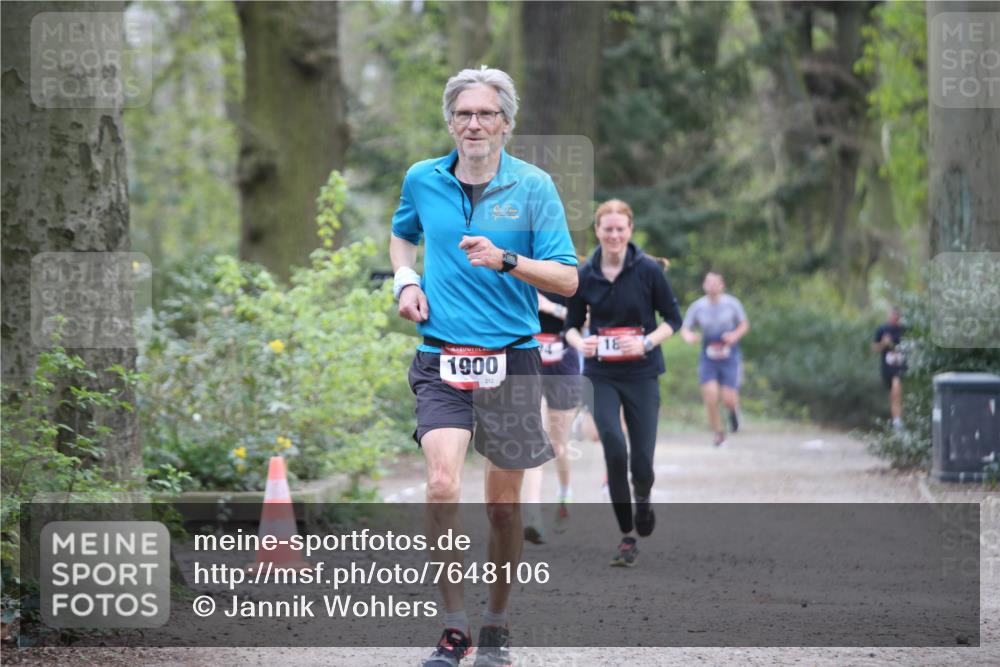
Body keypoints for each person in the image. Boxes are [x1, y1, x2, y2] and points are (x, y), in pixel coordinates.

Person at [390, 66, 578, 667]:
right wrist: (406, 281)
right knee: (442, 484)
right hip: (440, 355)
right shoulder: (422, 178)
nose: (474, 123)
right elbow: (402, 236)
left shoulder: (534, 186)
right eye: (464, 113)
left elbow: (567, 279)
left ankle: (496, 621)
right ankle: (454, 627)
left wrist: (506, 260)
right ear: (451, 122)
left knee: (502, 506)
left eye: (486, 114)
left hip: (511, 360)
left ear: (506, 124)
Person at [564, 199, 682, 567]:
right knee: (614, 448)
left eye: (620, 229)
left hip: (643, 374)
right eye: (608, 229)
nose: (614, 235)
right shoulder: (586, 273)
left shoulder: (648, 270)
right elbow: (569, 326)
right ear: (598, 231)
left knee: (642, 462)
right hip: (601, 374)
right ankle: (627, 535)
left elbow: (674, 319)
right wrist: (580, 343)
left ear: (629, 230)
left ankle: (643, 502)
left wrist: (645, 342)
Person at [521, 290, 581, 543]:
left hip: (562, 365)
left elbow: (589, 319)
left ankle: (565, 493)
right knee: (534, 439)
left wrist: (550, 308)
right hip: (528, 362)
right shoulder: (519, 274)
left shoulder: (570, 278)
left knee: (558, 445)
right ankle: (532, 515)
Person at [680, 272, 750, 447]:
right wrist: (689, 337)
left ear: (722, 285)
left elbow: (744, 324)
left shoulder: (732, 303)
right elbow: (685, 328)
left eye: (715, 282)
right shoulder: (698, 306)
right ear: (704, 285)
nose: (712, 285)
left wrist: (734, 335)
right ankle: (719, 434)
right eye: (708, 282)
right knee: (710, 395)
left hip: (729, 354)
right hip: (709, 355)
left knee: (728, 398)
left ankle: (733, 411)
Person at [872, 306, 906, 429]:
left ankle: (898, 422)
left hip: (901, 366)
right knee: (893, 395)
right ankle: (896, 420)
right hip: (887, 367)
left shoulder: (905, 330)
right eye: (893, 315)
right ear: (889, 315)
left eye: (897, 315)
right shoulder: (882, 329)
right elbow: (874, 348)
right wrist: (883, 343)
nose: (895, 317)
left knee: (897, 389)